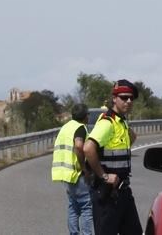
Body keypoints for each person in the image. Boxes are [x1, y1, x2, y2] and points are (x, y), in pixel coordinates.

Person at [84, 80, 141, 235]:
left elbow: (127, 142)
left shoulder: (121, 121)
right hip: (107, 194)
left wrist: (130, 135)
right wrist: (104, 176)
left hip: (123, 192)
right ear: (114, 98)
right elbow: (88, 148)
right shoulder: (107, 122)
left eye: (131, 98)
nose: (128, 101)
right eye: (124, 97)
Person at [52, 103, 94, 235]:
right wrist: (85, 169)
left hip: (66, 174)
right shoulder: (80, 128)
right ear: (85, 116)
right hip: (77, 174)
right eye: (88, 114)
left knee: (73, 208)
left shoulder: (65, 127)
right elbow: (78, 146)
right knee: (87, 208)